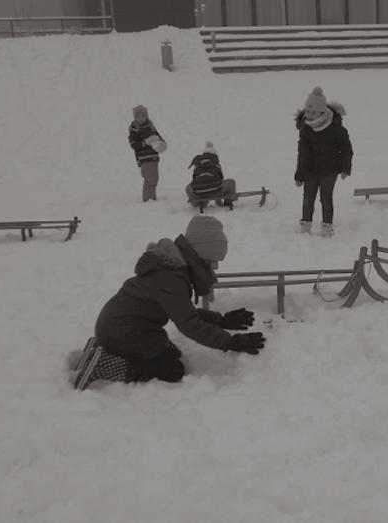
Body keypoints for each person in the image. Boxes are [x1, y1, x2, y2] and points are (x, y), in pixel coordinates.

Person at [72, 215, 266, 390]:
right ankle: (102, 366)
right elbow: (189, 324)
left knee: (170, 353)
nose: (214, 267)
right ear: (199, 255)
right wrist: (229, 342)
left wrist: (220, 320)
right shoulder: (171, 278)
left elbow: (182, 310)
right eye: (212, 260)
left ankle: (104, 349)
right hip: (123, 332)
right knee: (172, 370)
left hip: (121, 327)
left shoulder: (172, 269)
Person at [294, 86, 353, 237]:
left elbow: (346, 149)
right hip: (311, 172)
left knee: (326, 198)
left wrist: (345, 168)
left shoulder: (335, 128)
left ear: (321, 112)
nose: (309, 115)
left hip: (329, 170)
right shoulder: (306, 129)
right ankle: (305, 226)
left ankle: (327, 227)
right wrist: (300, 176)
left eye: (313, 112)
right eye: (307, 111)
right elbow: (303, 155)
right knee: (308, 198)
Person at [128, 105, 166, 202]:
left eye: (143, 116)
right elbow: (134, 145)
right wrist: (145, 142)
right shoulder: (134, 129)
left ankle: (151, 197)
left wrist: (161, 144)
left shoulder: (151, 127)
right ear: (134, 117)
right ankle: (148, 199)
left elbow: (159, 138)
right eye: (138, 116)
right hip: (144, 157)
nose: (140, 119)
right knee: (150, 178)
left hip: (153, 156)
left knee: (154, 178)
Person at [185, 141, 237, 209]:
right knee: (231, 182)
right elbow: (220, 179)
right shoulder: (216, 164)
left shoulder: (197, 164)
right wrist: (218, 200)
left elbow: (194, 179)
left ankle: (198, 203)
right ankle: (227, 201)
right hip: (216, 191)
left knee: (188, 187)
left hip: (200, 192)